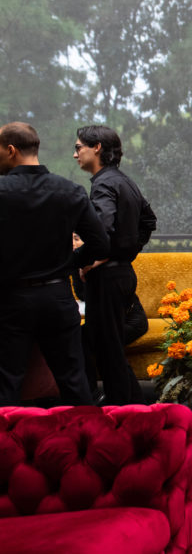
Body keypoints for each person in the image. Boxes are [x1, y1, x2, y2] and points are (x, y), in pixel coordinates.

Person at [0, 122, 109, 405]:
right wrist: (69, 263)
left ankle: (8, 448)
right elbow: (100, 244)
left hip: (11, 300)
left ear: (11, 150)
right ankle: (86, 444)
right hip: (58, 298)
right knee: (74, 381)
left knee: (7, 383)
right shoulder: (69, 190)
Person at [74, 125, 157, 404]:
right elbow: (149, 221)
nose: (75, 154)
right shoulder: (123, 181)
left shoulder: (104, 183)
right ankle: (134, 410)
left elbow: (102, 233)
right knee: (108, 349)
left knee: (109, 354)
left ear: (96, 147)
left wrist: (85, 262)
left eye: (78, 148)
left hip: (108, 280)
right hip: (120, 274)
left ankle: (125, 415)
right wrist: (123, 253)